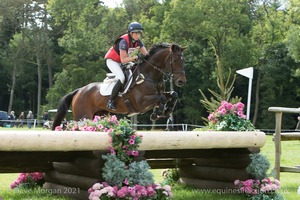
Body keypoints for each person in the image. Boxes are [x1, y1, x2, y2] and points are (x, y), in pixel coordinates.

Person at [104, 22, 148, 110]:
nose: (138, 35)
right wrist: (134, 58)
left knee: (136, 70)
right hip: (113, 61)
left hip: (123, 61)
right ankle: (111, 101)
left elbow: (147, 54)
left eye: (140, 33)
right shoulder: (123, 41)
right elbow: (123, 59)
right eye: (136, 33)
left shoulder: (138, 41)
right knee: (121, 77)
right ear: (131, 33)